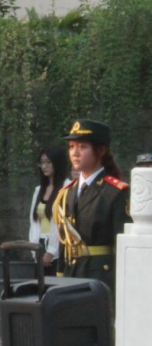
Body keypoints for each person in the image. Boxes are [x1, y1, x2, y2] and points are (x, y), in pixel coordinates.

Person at [53, 119, 132, 300]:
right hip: (71, 276)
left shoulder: (114, 192)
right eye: (71, 147)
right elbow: (65, 243)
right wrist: (60, 277)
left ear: (100, 151)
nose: (75, 153)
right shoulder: (66, 193)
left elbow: (122, 245)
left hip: (101, 278)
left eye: (82, 147)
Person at [28, 146, 67, 276]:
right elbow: (34, 222)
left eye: (48, 162)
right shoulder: (39, 190)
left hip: (58, 249)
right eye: (41, 163)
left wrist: (51, 251)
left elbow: (61, 223)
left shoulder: (66, 188)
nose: (44, 166)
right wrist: (34, 249)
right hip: (39, 245)